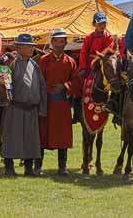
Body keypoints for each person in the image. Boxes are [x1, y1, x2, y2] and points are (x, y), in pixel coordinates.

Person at [0, 34, 47, 176]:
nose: (32, 48)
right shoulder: (10, 62)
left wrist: (42, 108)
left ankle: (28, 167)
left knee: (30, 139)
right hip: (14, 107)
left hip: (32, 108)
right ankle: (9, 167)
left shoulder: (34, 65)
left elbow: (42, 87)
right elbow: (1, 78)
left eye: (32, 46)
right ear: (19, 47)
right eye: (29, 46)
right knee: (11, 137)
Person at [36, 28, 81, 175]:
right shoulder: (43, 61)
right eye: (56, 41)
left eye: (62, 41)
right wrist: (49, 89)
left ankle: (62, 167)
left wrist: (64, 86)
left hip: (62, 104)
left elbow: (76, 81)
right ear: (52, 42)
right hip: (46, 103)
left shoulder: (71, 62)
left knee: (63, 136)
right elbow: (38, 81)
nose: (59, 44)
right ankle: (38, 167)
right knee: (42, 134)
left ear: (65, 43)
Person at [79, 12, 118, 115]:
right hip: (90, 65)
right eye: (99, 23)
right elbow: (83, 53)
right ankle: (77, 108)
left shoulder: (108, 37)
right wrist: (82, 68)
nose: (102, 25)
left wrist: (99, 57)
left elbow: (108, 50)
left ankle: (112, 103)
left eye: (104, 23)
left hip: (105, 63)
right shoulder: (89, 37)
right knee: (80, 83)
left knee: (114, 80)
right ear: (94, 24)